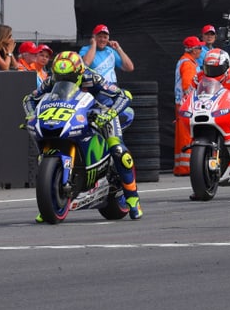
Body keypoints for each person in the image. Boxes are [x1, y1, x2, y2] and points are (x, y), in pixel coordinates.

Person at [23, 51, 142, 220]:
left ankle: (132, 199)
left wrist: (109, 114)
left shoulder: (92, 78)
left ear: (79, 72)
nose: (63, 80)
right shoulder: (52, 81)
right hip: (75, 114)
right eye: (59, 76)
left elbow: (123, 95)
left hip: (103, 112)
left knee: (118, 150)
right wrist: (30, 115)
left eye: (69, 77)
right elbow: (29, 99)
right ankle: (49, 203)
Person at [174, 35, 204, 176]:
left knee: (183, 137)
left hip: (182, 105)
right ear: (193, 50)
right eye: (199, 47)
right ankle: (186, 167)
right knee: (187, 137)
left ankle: (182, 167)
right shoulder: (188, 64)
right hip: (188, 105)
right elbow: (188, 85)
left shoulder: (186, 61)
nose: (200, 50)